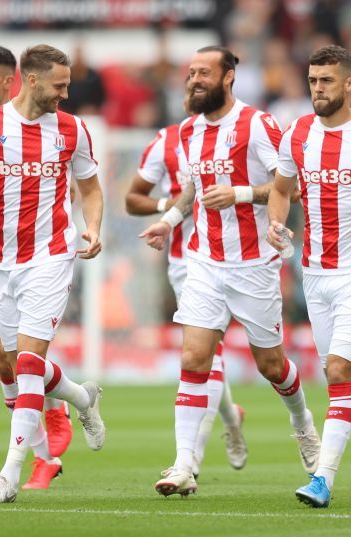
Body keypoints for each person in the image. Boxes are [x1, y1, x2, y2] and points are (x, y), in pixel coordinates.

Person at [140, 46, 320, 498]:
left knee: (272, 366)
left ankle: (302, 421)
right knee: (193, 359)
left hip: (254, 264)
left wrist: (240, 194)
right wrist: (169, 221)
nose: (194, 79)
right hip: (203, 260)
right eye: (191, 72)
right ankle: (184, 464)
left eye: (204, 72)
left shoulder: (258, 125)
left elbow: (288, 189)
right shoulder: (188, 131)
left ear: (228, 78)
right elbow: (193, 190)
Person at [0, 44, 106, 503]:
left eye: (68, 85)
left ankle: (10, 474)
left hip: (51, 256)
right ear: (32, 81)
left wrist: (91, 229)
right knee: (15, 366)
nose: (66, 94)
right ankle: (81, 397)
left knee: (30, 363)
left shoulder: (72, 130)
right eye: (60, 85)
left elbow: (92, 190)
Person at [266, 45, 351, 509]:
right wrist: (275, 222)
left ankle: (322, 479)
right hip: (316, 272)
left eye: (326, 81)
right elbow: (281, 189)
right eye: (312, 80)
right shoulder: (297, 135)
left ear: (349, 84)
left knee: (340, 370)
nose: (317, 89)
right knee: (337, 374)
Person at [125, 87, 248, 478]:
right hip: (184, 261)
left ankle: (189, 462)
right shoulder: (167, 141)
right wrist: (171, 205)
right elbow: (132, 199)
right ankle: (226, 423)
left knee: (208, 357)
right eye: (188, 87)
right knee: (205, 358)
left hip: (236, 258)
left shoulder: (236, 136)